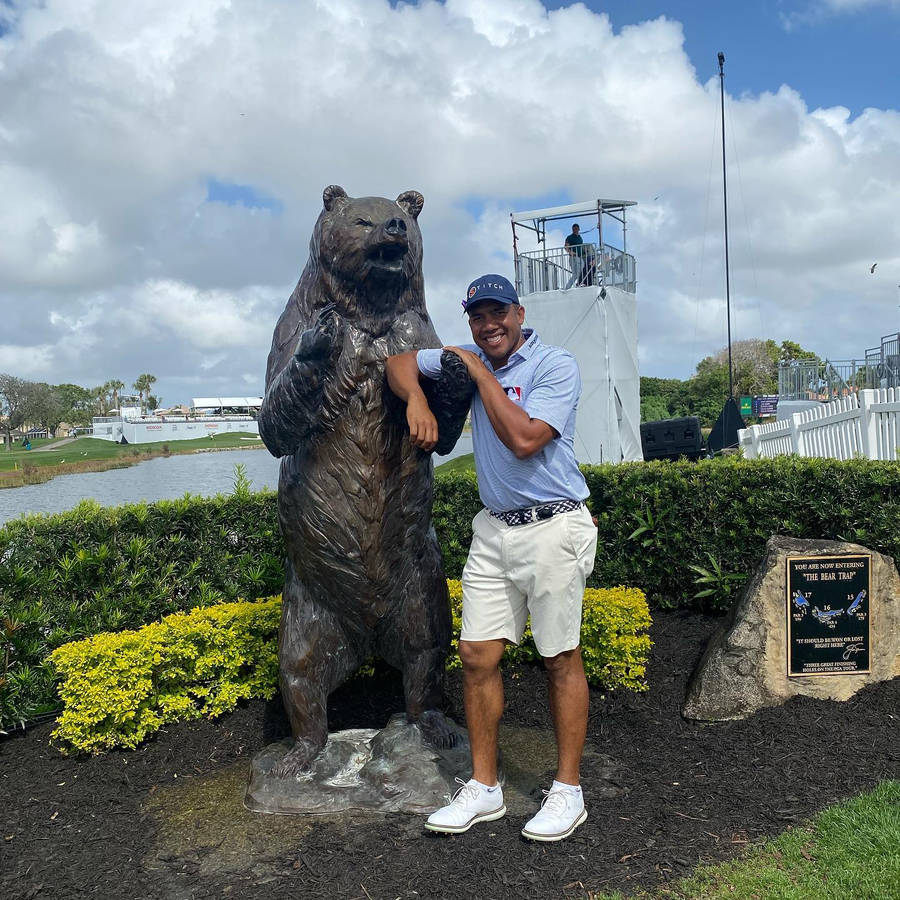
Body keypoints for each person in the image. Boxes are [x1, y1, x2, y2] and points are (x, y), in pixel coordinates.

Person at [385, 274, 598, 842]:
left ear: (519, 313)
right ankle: (484, 788)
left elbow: (526, 439)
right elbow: (398, 361)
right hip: (494, 530)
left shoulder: (554, 365)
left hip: (554, 526)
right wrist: (415, 398)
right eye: (477, 317)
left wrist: (479, 374)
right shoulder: (465, 356)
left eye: (497, 313)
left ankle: (567, 791)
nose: (488, 325)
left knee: (559, 657)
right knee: (477, 655)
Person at [563, 224, 584, 289]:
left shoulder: (580, 238)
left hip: (579, 257)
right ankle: (568, 287)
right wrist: (570, 252)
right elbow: (566, 247)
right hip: (573, 257)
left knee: (582, 270)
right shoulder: (570, 237)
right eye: (574, 229)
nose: (575, 230)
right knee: (576, 273)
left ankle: (578, 283)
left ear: (579, 229)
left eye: (576, 229)